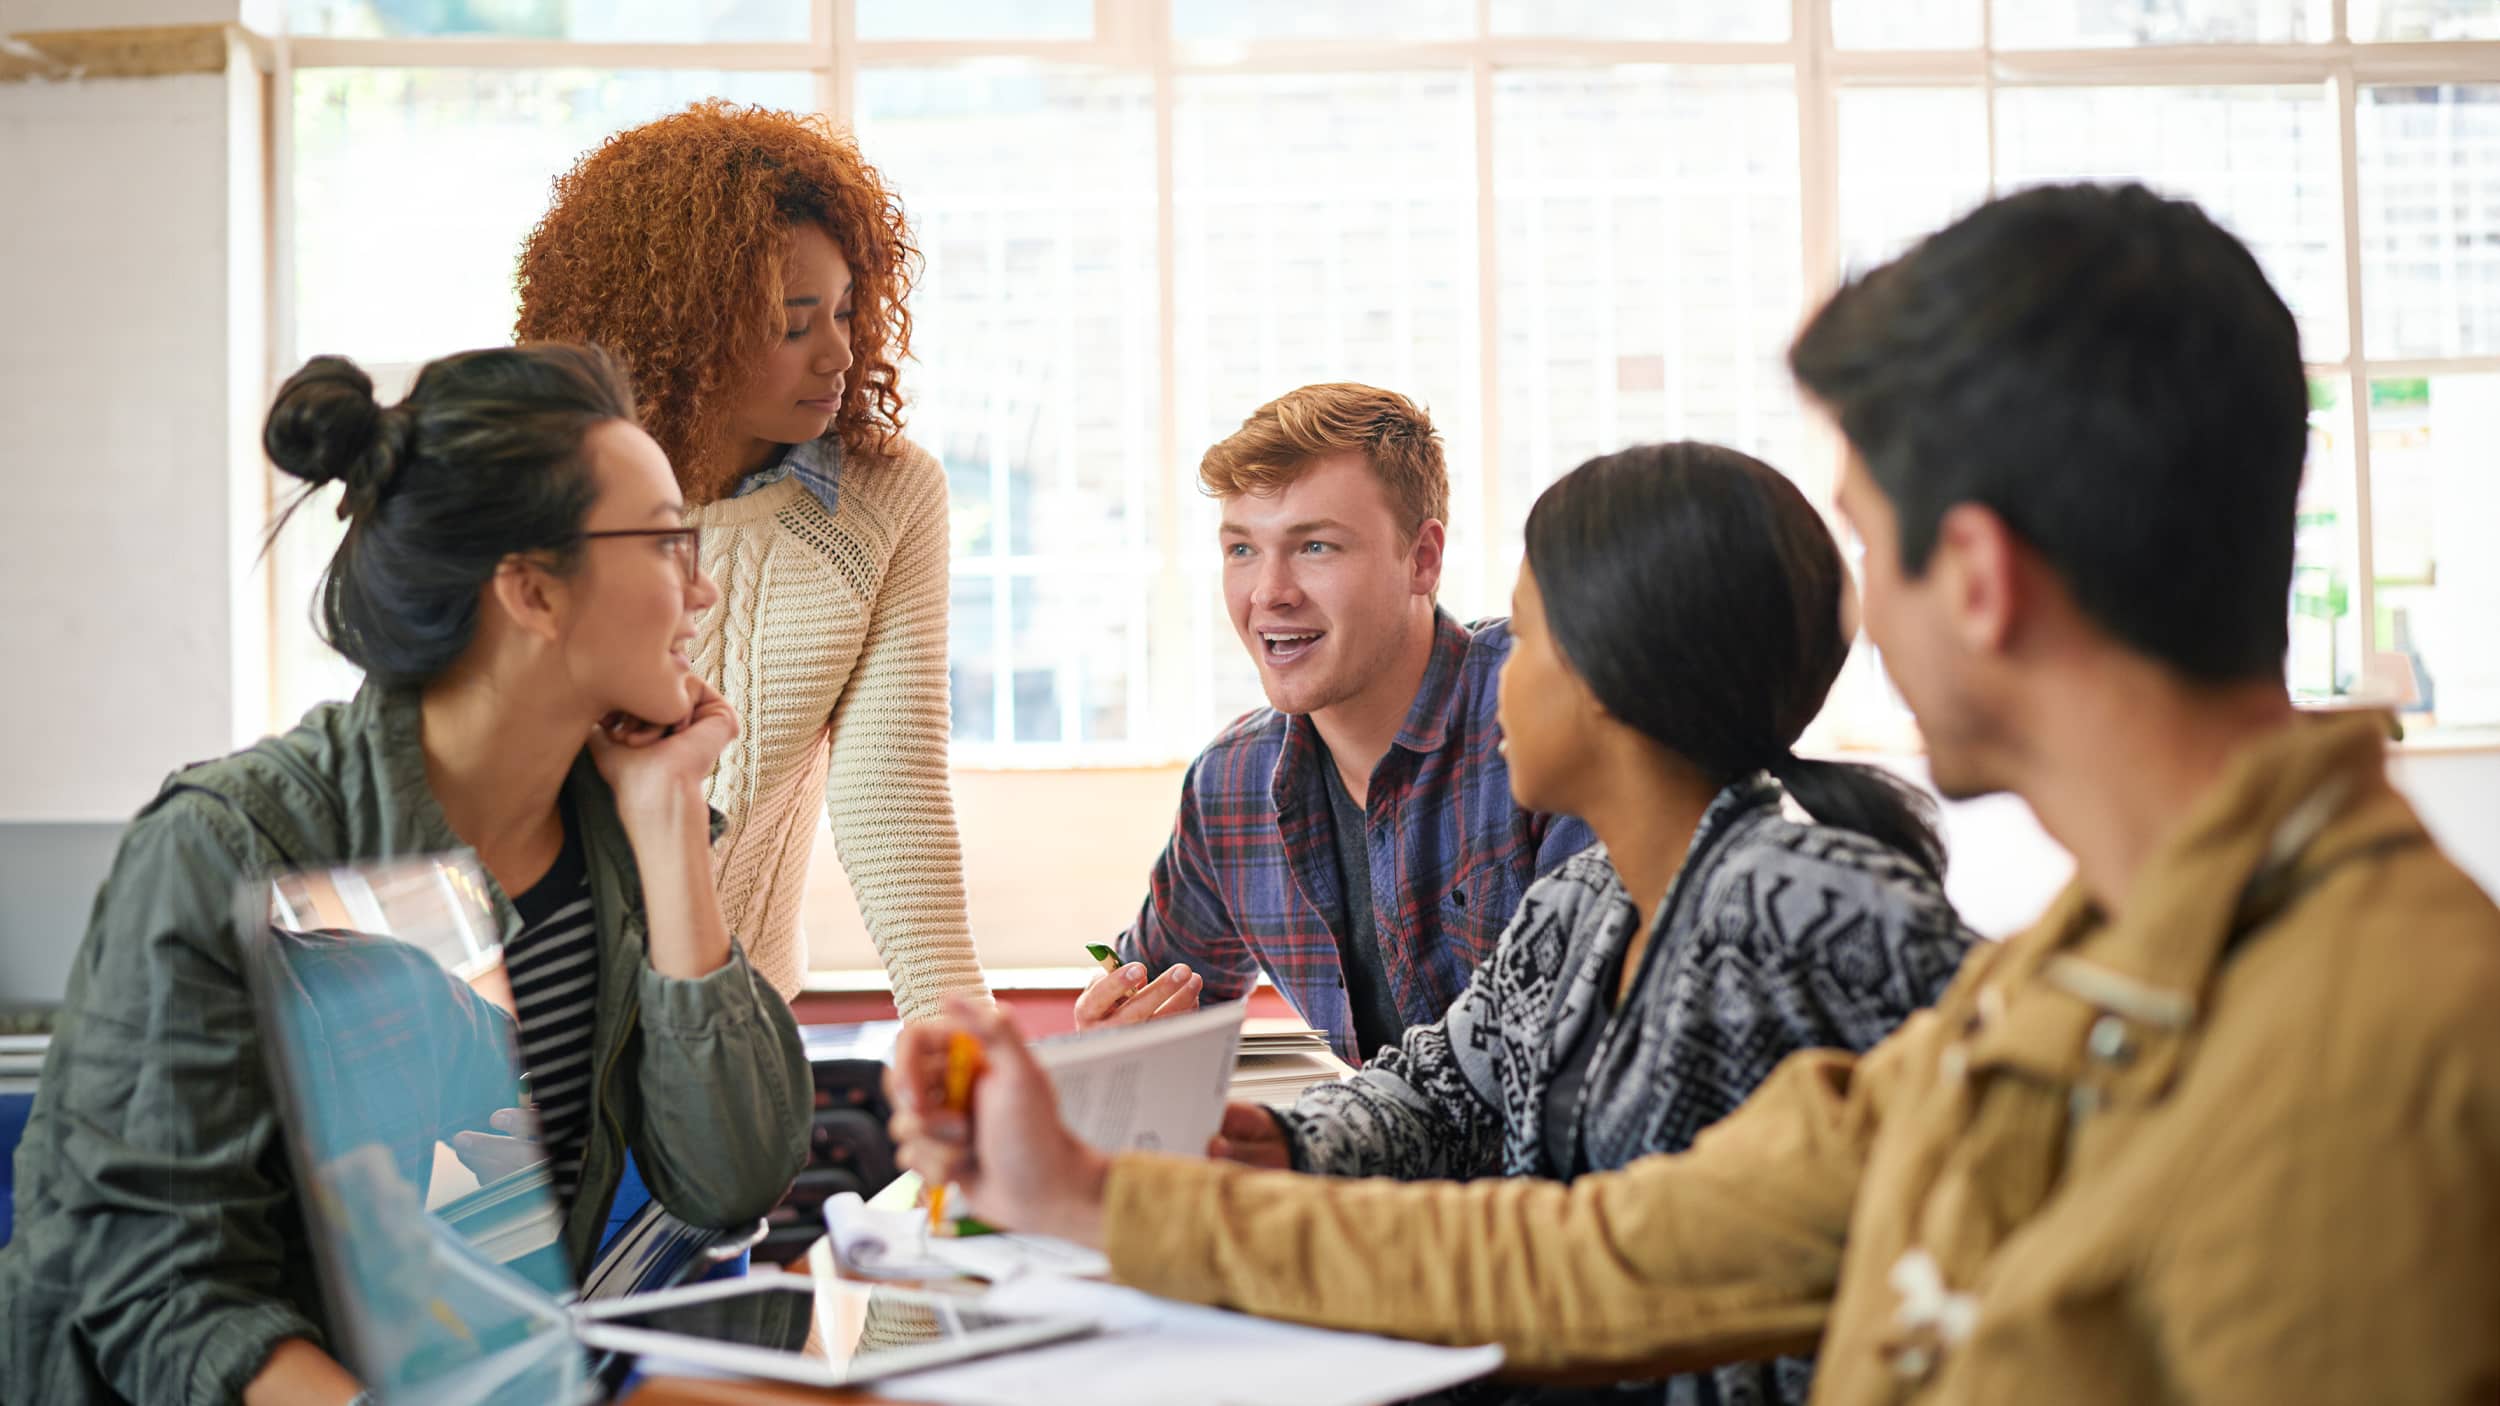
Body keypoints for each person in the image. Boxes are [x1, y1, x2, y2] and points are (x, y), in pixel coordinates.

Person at [887, 184, 2500, 1402]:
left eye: (1868, 536)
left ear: (1983, 578)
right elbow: (1595, 1250)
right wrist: (1090, 1190)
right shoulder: (2074, 982)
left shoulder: (2383, 1048)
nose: (1846, 606)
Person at [0, 345, 814, 1406]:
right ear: (531, 589)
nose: (701, 588)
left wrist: (666, 823)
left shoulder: (610, 828)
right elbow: (162, 1286)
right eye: (667, 542)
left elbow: (734, 1176)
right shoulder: (235, 845)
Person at [1206, 440, 1975, 1405]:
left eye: (1525, 641)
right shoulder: (1576, 908)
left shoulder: (1816, 911)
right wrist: (1281, 1142)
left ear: (1615, 673)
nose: (1496, 680)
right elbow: (1440, 1093)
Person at [516, 100, 987, 1014]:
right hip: (531, 1020)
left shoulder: (886, 499)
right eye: (792, 323)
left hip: (739, 1023)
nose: (842, 354)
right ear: (682, 332)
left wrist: (963, 1045)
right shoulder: (544, 492)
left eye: (848, 312)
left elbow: (893, 792)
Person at [1081, 384, 1595, 1062]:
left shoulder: (1543, 714)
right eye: (1241, 550)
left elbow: (1576, 1059)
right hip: (1361, 1154)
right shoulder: (1232, 784)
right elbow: (1153, 1016)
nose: (1269, 592)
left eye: (1315, 546)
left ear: (1422, 559)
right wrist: (1119, 1038)